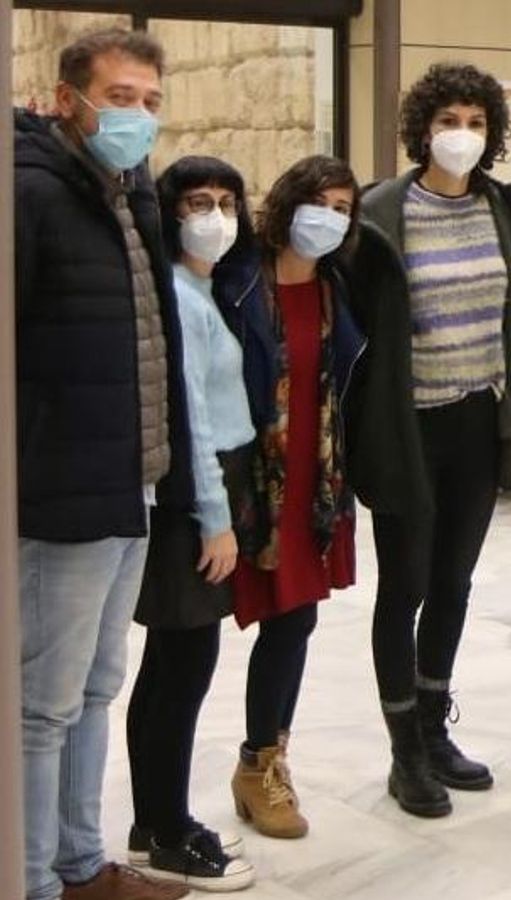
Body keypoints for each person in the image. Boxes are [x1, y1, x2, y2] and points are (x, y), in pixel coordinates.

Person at [15, 27, 195, 900]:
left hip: (135, 484)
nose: (137, 117)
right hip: (62, 495)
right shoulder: (30, 193)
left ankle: (79, 865)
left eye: (151, 103)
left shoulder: (130, 192)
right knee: (39, 710)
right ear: (66, 100)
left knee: (94, 689)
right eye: (119, 98)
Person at [349, 62, 511, 817]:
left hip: (477, 422)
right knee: (406, 586)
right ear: (422, 128)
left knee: (454, 583)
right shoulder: (382, 211)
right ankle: (402, 753)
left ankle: (432, 726)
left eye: (476, 123)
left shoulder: (501, 207)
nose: (462, 136)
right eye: (449, 121)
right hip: (407, 428)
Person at [123, 157, 260, 891]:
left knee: (173, 669)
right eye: (198, 203)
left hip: (213, 494)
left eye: (228, 202)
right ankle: (166, 832)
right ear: (170, 213)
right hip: (195, 505)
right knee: (179, 672)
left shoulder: (204, 289)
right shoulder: (178, 296)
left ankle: (156, 819)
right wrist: (216, 520)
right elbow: (193, 423)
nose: (215, 216)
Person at [227, 155, 364, 841]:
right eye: (320, 201)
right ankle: (164, 807)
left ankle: (263, 762)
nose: (330, 218)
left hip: (316, 485)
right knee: (187, 645)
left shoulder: (340, 289)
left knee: (296, 623)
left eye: (344, 208)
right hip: (246, 487)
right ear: (288, 203)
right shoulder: (239, 282)